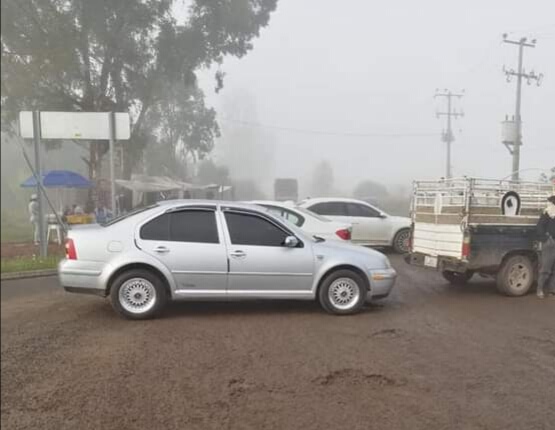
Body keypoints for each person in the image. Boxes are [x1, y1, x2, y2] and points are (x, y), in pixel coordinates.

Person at [536, 195, 555, 299]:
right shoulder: (547, 212)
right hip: (550, 243)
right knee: (546, 268)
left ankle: (552, 290)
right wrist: (546, 239)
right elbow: (540, 227)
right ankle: (540, 289)